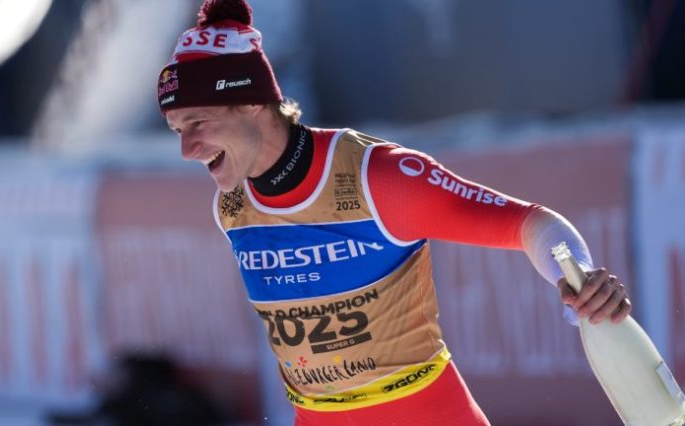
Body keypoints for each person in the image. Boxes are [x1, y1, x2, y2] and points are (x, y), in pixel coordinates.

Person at [156, 1, 632, 424]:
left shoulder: (377, 177)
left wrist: (580, 279)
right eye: (178, 129)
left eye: (199, 122)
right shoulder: (231, 205)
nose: (187, 149)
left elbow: (529, 223)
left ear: (252, 101)